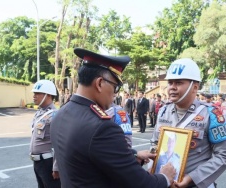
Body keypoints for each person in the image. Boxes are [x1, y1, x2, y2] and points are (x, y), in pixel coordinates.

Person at [50, 48, 176, 187]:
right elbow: (141, 183)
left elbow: (88, 152)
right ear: (99, 83)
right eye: (115, 88)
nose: (114, 95)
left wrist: (133, 155)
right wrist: (165, 177)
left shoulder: (61, 114)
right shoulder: (102, 127)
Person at [151, 58, 226, 188]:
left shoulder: (211, 114)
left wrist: (192, 178)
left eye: (178, 83)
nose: (172, 87)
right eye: (170, 82)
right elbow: (155, 144)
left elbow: (224, 155)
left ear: (195, 87)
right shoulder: (163, 111)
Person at [30, 79, 61, 188]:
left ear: (48, 95)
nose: (34, 96)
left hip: (48, 163)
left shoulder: (55, 115)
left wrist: (56, 167)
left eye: (37, 93)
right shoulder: (39, 113)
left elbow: (59, 143)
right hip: (38, 163)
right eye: (34, 93)